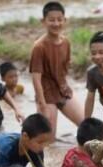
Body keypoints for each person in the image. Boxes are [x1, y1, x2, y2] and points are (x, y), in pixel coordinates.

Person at [30, 1, 83, 141]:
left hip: (62, 90)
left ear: (65, 20)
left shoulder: (66, 42)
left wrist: (66, 88)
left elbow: (64, 69)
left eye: (59, 19)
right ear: (43, 21)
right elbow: (36, 78)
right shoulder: (39, 47)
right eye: (51, 20)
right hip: (46, 96)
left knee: (85, 125)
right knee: (47, 140)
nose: (56, 23)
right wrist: (42, 105)